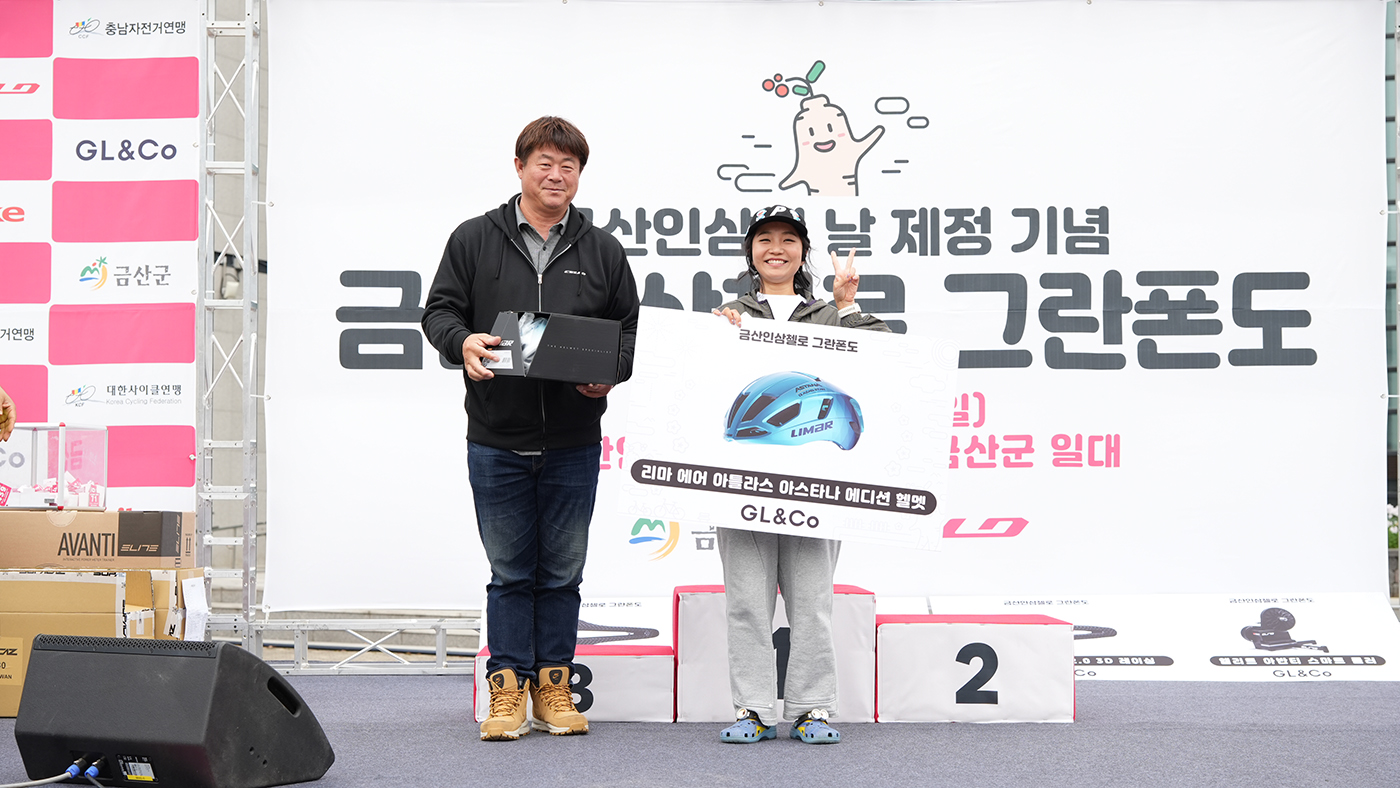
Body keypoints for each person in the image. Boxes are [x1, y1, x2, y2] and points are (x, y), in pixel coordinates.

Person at [421, 117, 640, 741]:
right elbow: (439, 312)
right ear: (520, 167)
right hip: (496, 438)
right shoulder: (474, 239)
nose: (556, 175)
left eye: (569, 166)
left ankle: (554, 687)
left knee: (563, 574)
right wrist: (462, 342)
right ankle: (508, 688)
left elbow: (626, 332)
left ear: (580, 175)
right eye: (545, 162)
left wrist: (610, 374)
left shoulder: (603, 250)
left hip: (574, 440)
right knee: (510, 572)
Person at [712, 205, 890, 745]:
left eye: (789, 239)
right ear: (750, 253)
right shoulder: (728, 316)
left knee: (812, 603)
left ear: (802, 252)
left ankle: (813, 708)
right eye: (764, 239)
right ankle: (753, 709)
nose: (776, 248)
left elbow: (887, 352)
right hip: (743, 484)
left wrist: (847, 303)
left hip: (815, 486)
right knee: (746, 602)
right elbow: (704, 387)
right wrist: (715, 337)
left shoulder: (829, 316)